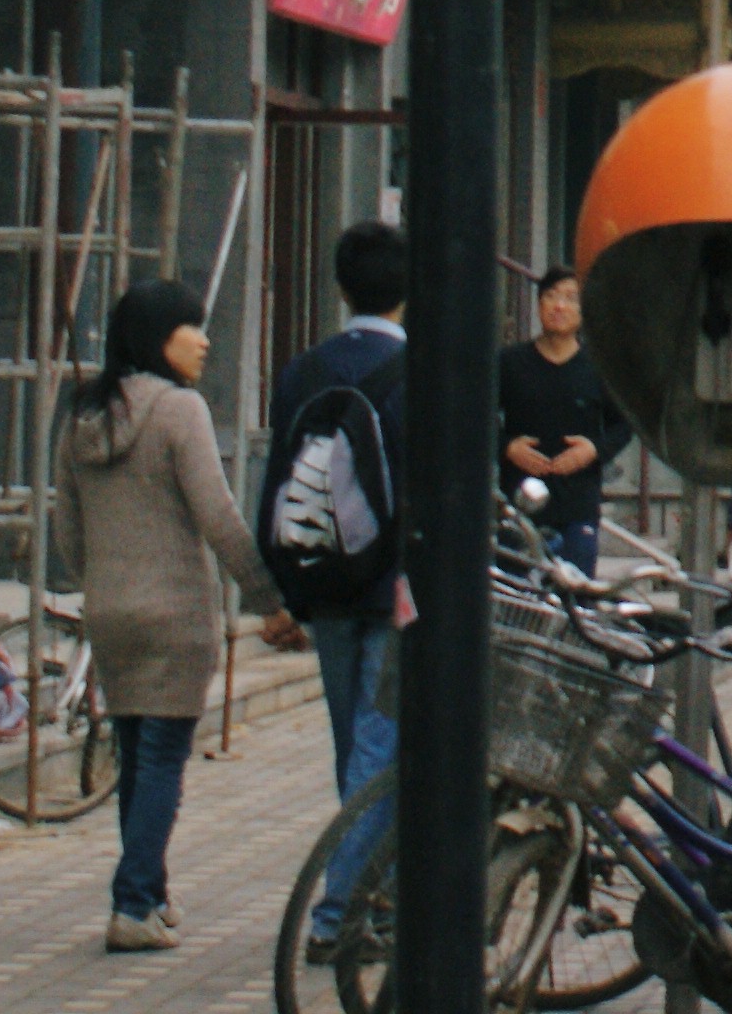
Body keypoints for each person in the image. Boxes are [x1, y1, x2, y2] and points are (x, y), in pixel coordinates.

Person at [51, 282, 286, 953]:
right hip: (176, 611)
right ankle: (131, 903)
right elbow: (219, 516)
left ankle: (149, 893)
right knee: (161, 760)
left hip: (110, 611)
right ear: (159, 336)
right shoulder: (180, 410)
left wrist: (100, 582)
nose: (204, 340)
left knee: (134, 754)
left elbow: (66, 528)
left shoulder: (82, 415)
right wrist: (268, 600)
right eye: (192, 327)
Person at [263, 220, 407, 944]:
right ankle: (339, 913)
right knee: (379, 750)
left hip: (323, 581)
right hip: (392, 590)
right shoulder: (418, 373)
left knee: (352, 745)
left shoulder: (302, 371)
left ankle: (366, 892)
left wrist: (287, 594)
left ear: (341, 286)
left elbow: (279, 477)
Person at [497, 269, 619, 577]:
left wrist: (593, 450)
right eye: (550, 297)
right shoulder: (510, 363)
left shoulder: (600, 367)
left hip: (577, 508)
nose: (559, 306)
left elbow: (625, 425)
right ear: (539, 306)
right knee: (517, 607)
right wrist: (508, 447)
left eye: (569, 299)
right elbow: (475, 416)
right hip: (519, 509)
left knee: (574, 603)